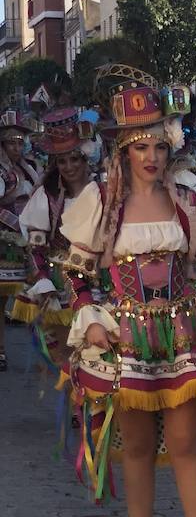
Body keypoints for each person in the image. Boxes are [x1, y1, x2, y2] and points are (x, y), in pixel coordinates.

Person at [58, 64, 196, 517]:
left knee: (184, 442)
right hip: (125, 336)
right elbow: (75, 269)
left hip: (181, 333)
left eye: (158, 146)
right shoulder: (101, 202)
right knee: (134, 443)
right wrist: (89, 319)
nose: (152, 157)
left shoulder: (185, 199)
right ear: (122, 151)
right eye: (140, 148)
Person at [11, 107, 93, 359]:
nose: (69, 166)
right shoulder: (47, 196)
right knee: (67, 361)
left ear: (85, 159)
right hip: (61, 284)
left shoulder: (102, 190)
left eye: (74, 159)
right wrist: (44, 281)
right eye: (62, 161)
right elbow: (36, 245)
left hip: (101, 282)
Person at [0, 107, 41, 369]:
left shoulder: (29, 168)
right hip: (5, 238)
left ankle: (44, 350)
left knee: (38, 293)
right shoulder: (4, 171)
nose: (17, 147)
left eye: (20, 142)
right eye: (11, 142)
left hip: (26, 239)